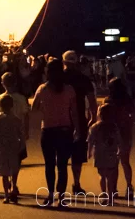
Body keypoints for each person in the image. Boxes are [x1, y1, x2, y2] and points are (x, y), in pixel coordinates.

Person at [33, 58, 78, 206]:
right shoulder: (69, 89)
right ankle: (62, 197)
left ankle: (51, 194)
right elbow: (74, 112)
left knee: (49, 164)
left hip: (48, 130)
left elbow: (34, 108)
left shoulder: (42, 89)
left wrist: (45, 111)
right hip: (65, 130)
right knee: (63, 165)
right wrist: (77, 129)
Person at [62, 50, 98, 195]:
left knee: (62, 155)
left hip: (61, 119)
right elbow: (91, 100)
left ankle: (61, 186)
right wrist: (93, 116)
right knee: (77, 155)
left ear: (63, 62)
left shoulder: (58, 79)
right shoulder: (83, 79)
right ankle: (76, 183)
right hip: (80, 120)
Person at [0, 93, 24, 204]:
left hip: (2, 149)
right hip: (14, 149)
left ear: (1, 106)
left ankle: (6, 196)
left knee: (4, 174)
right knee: (13, 171)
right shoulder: (16, 119)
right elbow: (21, 135)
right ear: (12, 105)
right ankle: (13, 188)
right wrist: (21, 146)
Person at [106, 77, 134, 197]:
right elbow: (134, 115)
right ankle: (129, 186)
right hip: (125, 132)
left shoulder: (108, 101)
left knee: (114, 163)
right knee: (125, 162)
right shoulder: (127, 100)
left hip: (111, 134)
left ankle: (113, 189)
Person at [88, 103, 121, 202]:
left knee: (102, 175)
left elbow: (90, 141)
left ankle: (104, 194)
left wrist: (89, 151)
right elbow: (119, 140)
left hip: (99, 154)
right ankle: (111, 196)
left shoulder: (94, 127)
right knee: (110, 176)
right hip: (111, 153)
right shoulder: (114, 127)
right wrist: (119, 149)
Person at [0, 73, 29, 164]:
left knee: (4, 157)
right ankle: (14, 177)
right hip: (18, 131)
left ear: (2, 84)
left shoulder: (0, 98)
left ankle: (5, 177)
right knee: (18, 157)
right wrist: (26, 130)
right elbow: (26, 115)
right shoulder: (21, 98)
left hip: (4, 131)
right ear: (15, 83)